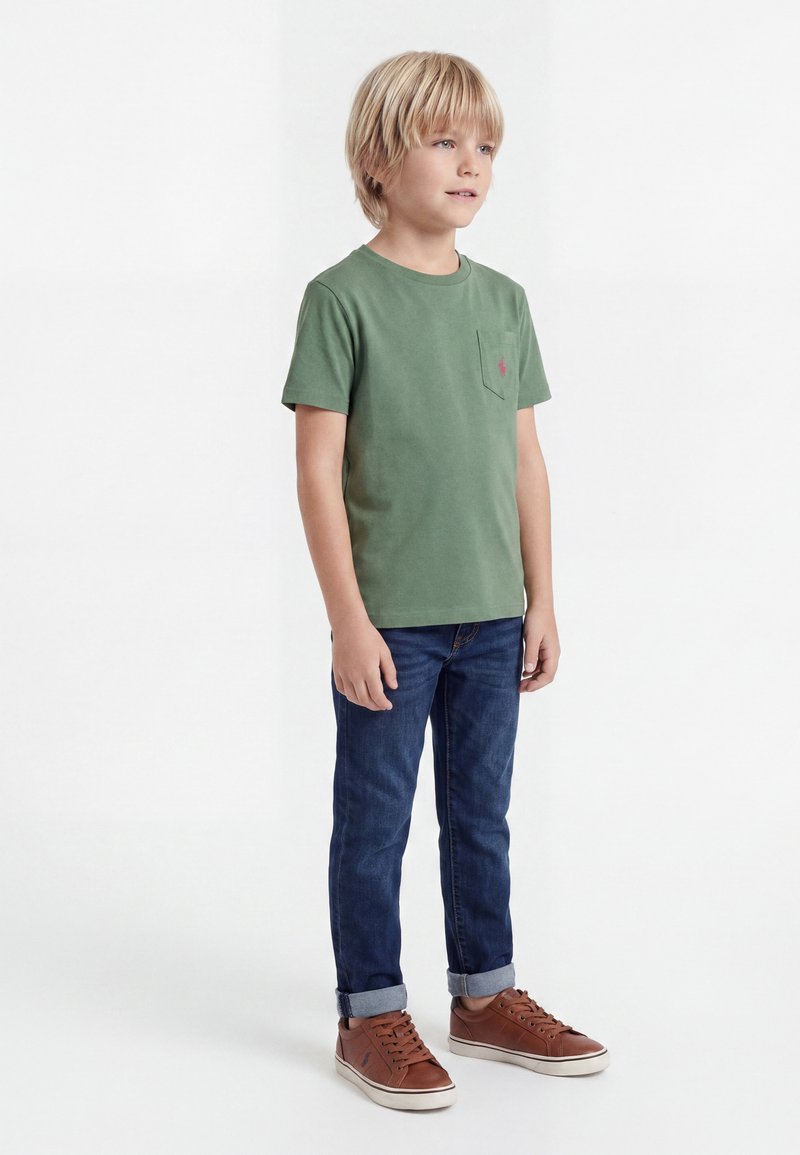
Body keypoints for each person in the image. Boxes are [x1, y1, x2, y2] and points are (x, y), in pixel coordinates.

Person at [280, 50, 609, 1111]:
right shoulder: (340, 298)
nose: (471, 164)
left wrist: (541, 598)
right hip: (391, 625)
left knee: (480, 818)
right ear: (379, 161)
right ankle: (370, 1011)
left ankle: (484, 995)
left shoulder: (503, 301)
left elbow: (524, 461)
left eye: (486, 147)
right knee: (374, 822)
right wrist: (347, 621)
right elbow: (317, 471)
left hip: (493, 616)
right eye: (444, 140)